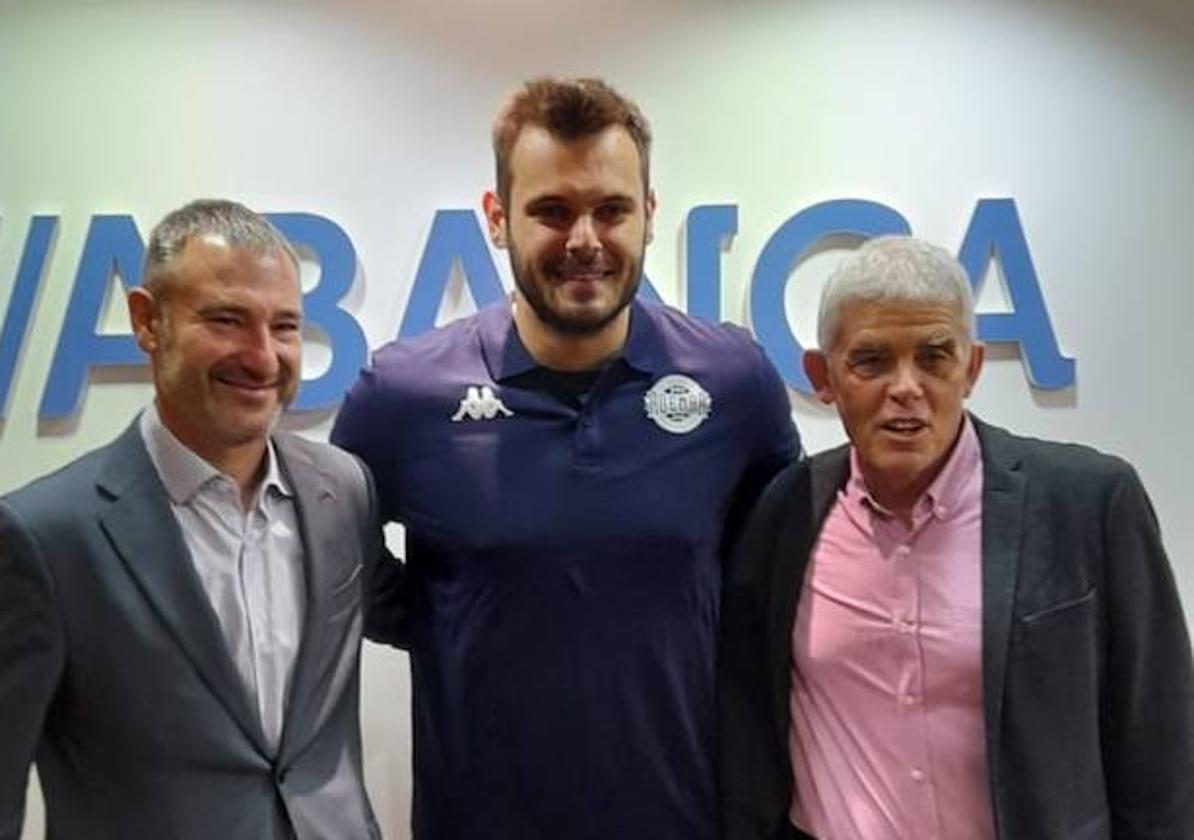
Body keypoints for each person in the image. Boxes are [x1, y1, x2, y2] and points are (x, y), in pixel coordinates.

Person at [332, 77, 800, 839]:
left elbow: (772, 572)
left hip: (686, 821)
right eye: (551, 210)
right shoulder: (402, 396)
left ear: (648, 216)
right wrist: (449, 614)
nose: (585, 238)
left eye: (611, 209)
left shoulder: (734, 384)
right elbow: (335, 558)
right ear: (497, 218)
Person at [718, 235, 1194, 840]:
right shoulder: (783, 513)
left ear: (970, 366)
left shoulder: (1090, 505)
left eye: (934, 356)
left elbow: (1159, 740)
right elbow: (745, 727)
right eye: (871, 361)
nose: (907, 387)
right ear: (823, 375)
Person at [0, 199, 384, 839]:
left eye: (285, 326)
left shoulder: (343, 491)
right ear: (147, 321)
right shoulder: (42, 535)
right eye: (227, 320)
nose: (263, 357)